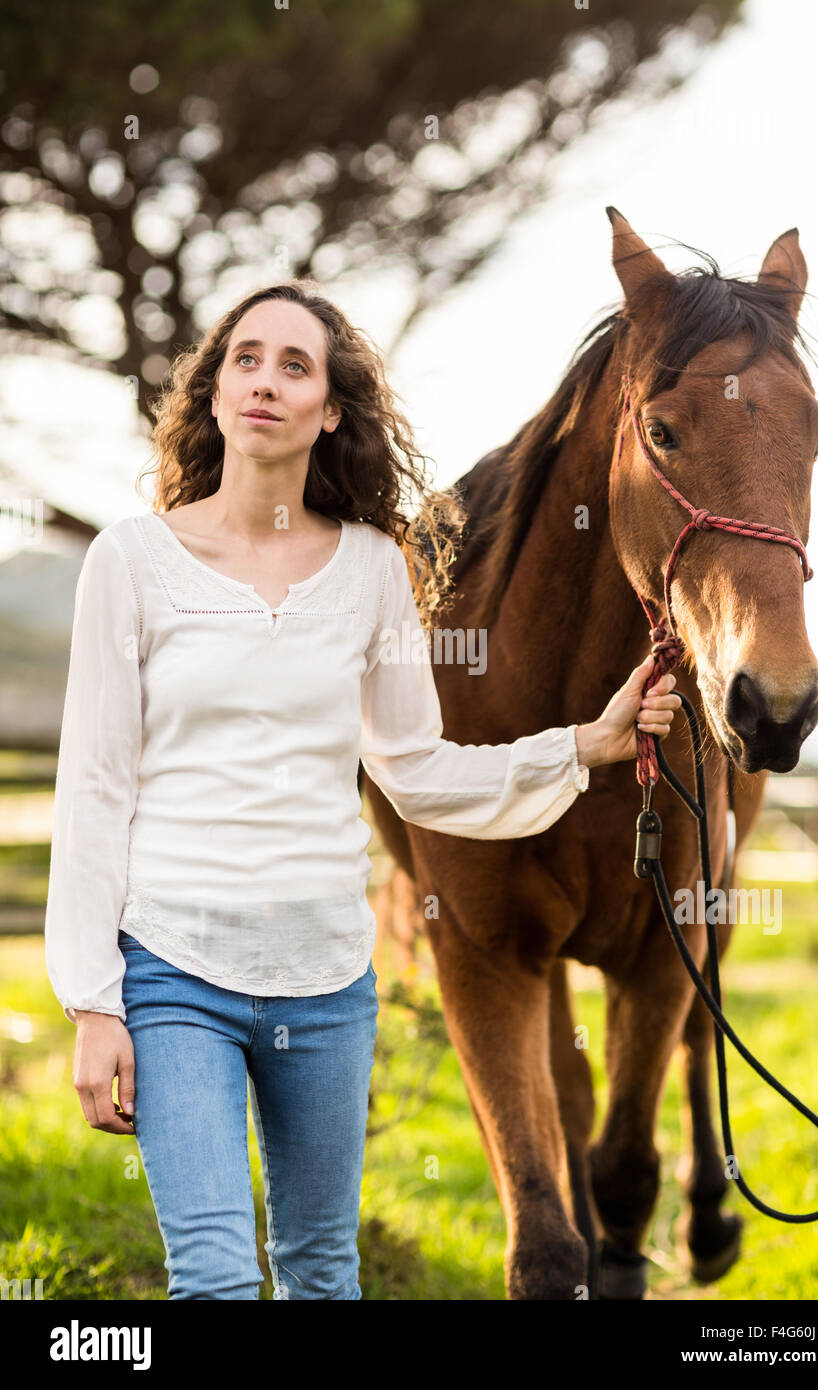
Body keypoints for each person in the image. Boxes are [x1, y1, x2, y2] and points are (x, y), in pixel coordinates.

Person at [43, 281, 681, 1301]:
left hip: (326, 986)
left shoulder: (372, 570)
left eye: (296, 365)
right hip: (173, 972)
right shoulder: (132, 563)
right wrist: (90, 999)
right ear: (211, 392)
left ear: (329, 411)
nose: (265, 380)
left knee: (321, 1274)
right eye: (244, 358)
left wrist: (582, 745)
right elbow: (94, 785)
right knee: (212, 1280)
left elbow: (415, 768)